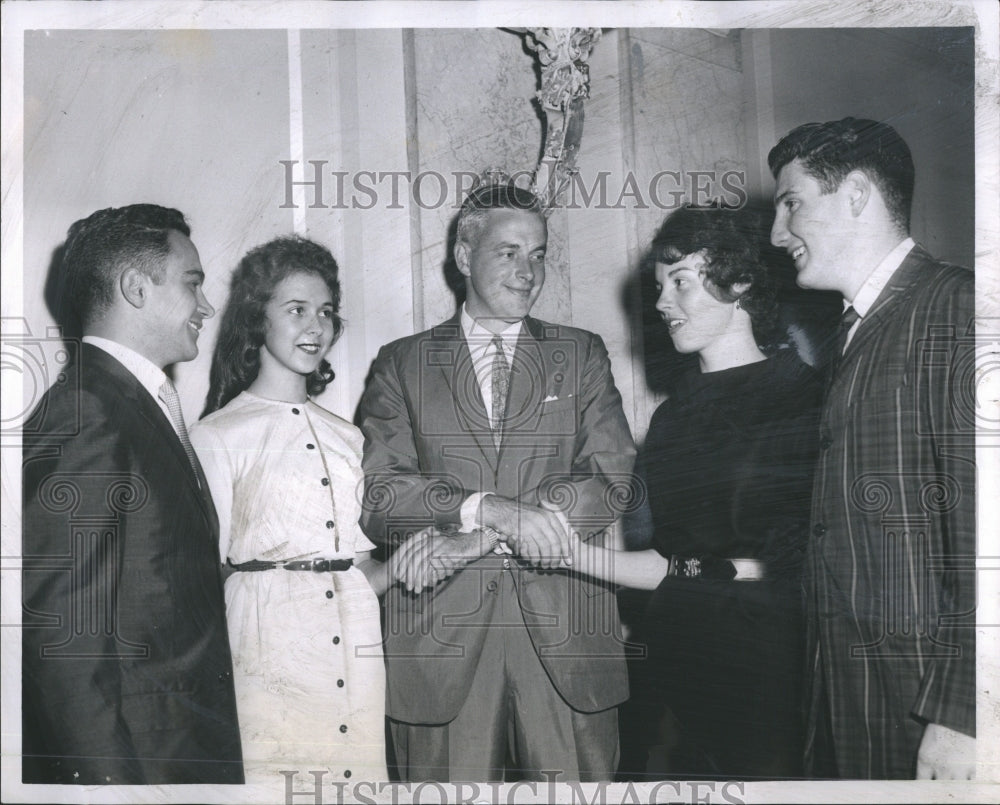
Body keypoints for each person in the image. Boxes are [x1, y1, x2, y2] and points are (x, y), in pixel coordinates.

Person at [357, 179, 637, 782]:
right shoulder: (401, 364)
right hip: (440, 643)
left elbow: (610, 475)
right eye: (508, 252)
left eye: (537, 254)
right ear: (464, 256)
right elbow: (382, 496)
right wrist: (491, 510)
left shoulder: (581, 353)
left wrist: (480, 534)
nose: (528, 271)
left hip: (566, 639)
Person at [571, 205, 822, 779]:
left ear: (740, 285)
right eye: (660, 287)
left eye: (680, 282)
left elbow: (807, 557)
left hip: (770, 667)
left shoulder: (808, 399)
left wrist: (715, 572)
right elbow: (669, 562)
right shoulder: (672, 419)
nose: (661, 304)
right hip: (673, 662)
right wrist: (568, 554)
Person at [768, 117, 976, 779]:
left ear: (856, 194)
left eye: (791, 202)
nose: (777, 233)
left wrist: (964, 715)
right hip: (849, 701)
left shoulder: (955, 306)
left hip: (923, 707)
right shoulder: (853, 333)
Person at [21, 205, 243, 784]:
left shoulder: (126, 403)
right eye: (192, 283)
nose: (207, 305)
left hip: (178, 753)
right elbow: (66, 641)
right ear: (136, 288)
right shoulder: (88, 412)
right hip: (139, 766)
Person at [190, 236, 390, 785]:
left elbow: (359, 571)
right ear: (259, 320)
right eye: (296, 309)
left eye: (325, 312)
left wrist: (419, 557)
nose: (315, 326)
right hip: (266, 657)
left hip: (356, 650)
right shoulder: (217, 435)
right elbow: (203, 577)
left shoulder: (347, 437)